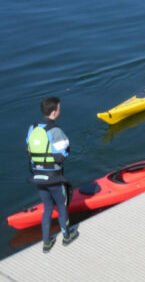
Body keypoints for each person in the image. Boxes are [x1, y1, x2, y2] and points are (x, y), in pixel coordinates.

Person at [26, 97, 79, 253]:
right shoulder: (55, 130)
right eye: (59, 108)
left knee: (47, 207)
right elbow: (64, 154)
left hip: (38, 176)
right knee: (61, 207)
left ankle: (46, 243)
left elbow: (29, 150)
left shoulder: (32, 128)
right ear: (54, 112)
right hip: (54, 176)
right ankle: (67, 237)